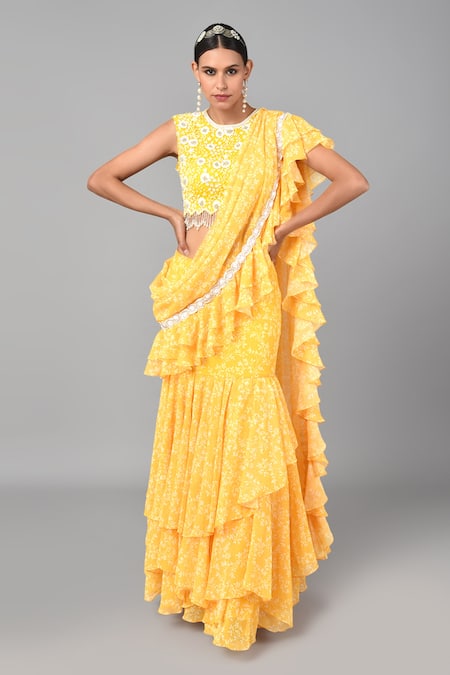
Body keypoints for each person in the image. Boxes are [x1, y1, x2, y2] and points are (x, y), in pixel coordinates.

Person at [87, 22, 369, 651]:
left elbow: (352, 181)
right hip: (197, 289)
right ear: (195, 74)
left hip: (251, 293)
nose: (220, 82)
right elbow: (102, 177)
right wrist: (170, 215)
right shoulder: (180, 132)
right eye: (209, 71)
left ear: (248, 71)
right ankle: (202, 584)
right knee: (198, 422)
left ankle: (246, 592)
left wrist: (283, 229)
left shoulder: (280, 129)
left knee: (247, 418)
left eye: (231, 71)